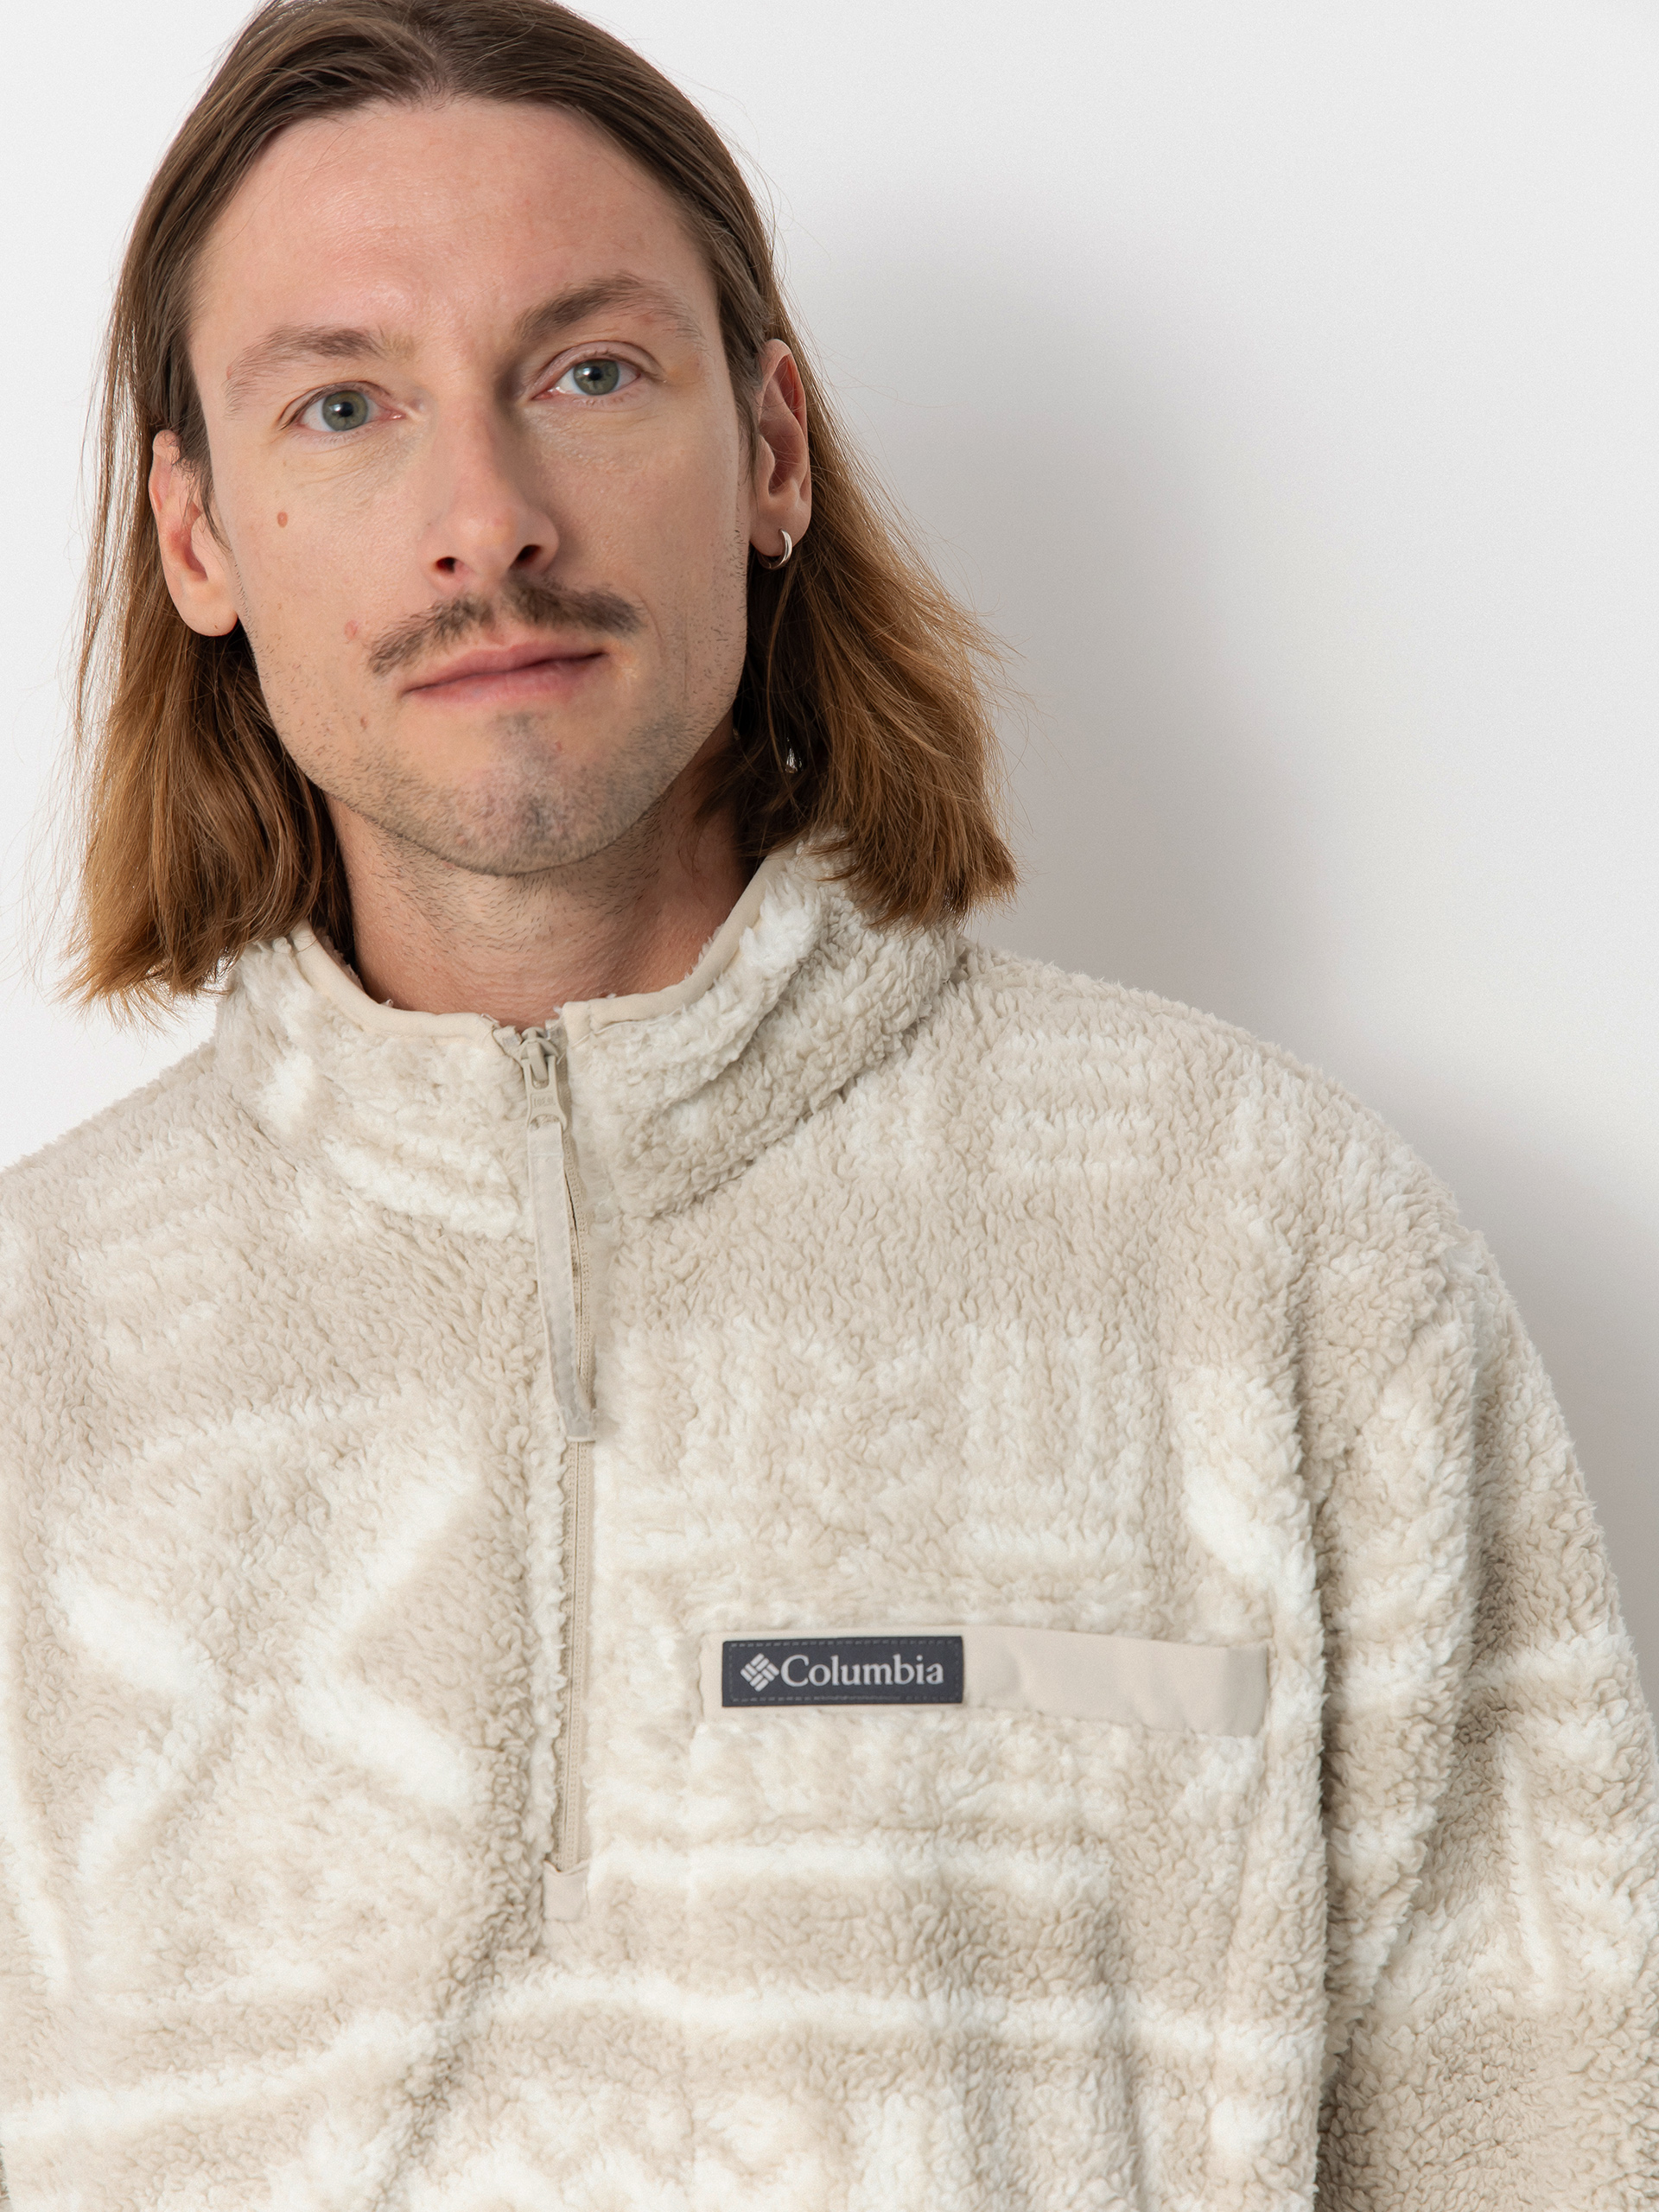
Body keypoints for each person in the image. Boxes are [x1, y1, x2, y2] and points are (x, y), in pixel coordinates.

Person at [1, 0, 1653, 2202]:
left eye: (590, 372)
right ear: (198, 535)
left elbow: (1545, 2134)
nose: (483, 521)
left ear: (771, 447)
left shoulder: (1279, 1254)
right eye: (345, 404)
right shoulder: (32, 1358)